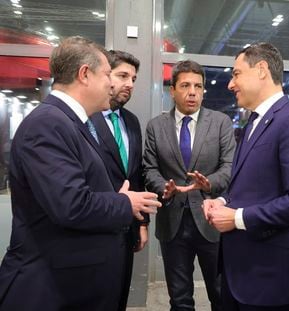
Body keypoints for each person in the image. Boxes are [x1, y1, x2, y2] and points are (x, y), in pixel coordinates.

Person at [0, 36, 161, 311]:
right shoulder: (49, 124)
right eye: (109, 74)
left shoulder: (71, 123)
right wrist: (125, 202)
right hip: (51, 287)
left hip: (74, 280)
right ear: (84, 75)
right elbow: (71, 205)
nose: (113, 84)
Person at [203, 43, 289, 311]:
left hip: (267, 277)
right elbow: (253, 185)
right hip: (238, 272)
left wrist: (237, 218)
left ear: (261, 70)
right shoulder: (253, 124)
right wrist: (222, 201)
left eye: (236, 74)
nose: (230, 84)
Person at [143, 60, 236, 311]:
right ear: (172, 90)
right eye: (185, 85)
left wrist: (208, 184)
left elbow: (229, 167)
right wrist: (165, 188)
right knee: (180, 299)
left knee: (221, 295)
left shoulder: (221, 123)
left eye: (198, 86)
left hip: (212, 219)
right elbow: (149, 168)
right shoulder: (156, 126)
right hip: (172, 222)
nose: (192, 91)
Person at [89, 50, 147, 311]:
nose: (130, 84)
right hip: (94, 229)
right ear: (104, 75)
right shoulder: (83, 121)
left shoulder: (132, 122)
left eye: (133, 78)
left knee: (118, 297)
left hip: (126, 229)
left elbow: (135, 177)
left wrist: (142, 223)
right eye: (122, 75)